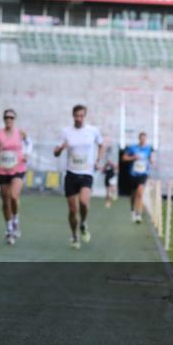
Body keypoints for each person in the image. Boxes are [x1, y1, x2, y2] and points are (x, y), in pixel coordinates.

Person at [53, 104, 104, 249]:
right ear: (73, 116)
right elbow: (55, 153)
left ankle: (83, 223)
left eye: (81, 116)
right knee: (72, 210)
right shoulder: (66, 132)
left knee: (83, 202)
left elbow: (101, 144)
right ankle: (74, 236)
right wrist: (61, 148)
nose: (79, 118)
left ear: (85, 116)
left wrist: (98, 160)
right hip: (71, 174)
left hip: (87, 173)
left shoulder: (92, 131)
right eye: (76, 116)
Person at [0, 109, 31, 245]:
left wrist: (27, 154)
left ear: (14, 119)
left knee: (14, 196)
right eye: (6, 117)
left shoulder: (20, 133)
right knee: (5, 201)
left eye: (11, 117)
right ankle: (9, 229)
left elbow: (29, 144)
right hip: (3, 170)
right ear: (4, 119)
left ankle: (15, 219)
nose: (9, 119)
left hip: (18, 168)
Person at [123, 131, 154, 224]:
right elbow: (124, 158)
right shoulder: (133, 148)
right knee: (133, 194)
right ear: (139, 139)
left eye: (144, 138)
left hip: (143, 174)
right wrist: (133, 158)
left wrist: (151, 160)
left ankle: (138, 214)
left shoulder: (148, 149)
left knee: (140, 194)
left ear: (146, 139)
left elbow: (151, 159)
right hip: (133, 174)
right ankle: (132, 209)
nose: (143, 140)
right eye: (141, 138)